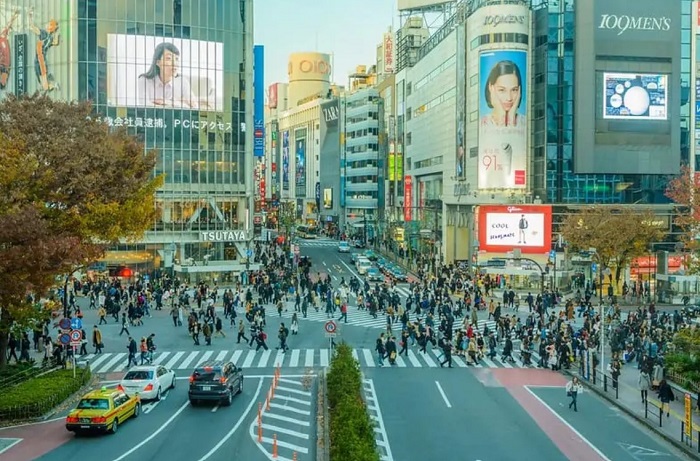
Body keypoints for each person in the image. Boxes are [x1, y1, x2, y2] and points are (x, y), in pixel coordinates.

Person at [136, 42, 197, 108]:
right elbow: (144, 106)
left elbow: (195, 106)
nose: (175, 64)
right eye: (169, 58)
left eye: (176, 59)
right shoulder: (144, 80)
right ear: (158, 62)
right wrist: (181, 104)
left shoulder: (182, 82)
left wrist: (170, 103)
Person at [481, 60, 525, 128]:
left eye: (514, 90)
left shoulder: (525, 123)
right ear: (491, 87)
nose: (509, 98)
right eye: (502, 90)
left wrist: (511, 117)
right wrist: (501, 116)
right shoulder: (482, 125)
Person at [29, 10, 61, 92]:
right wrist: (57, 36)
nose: (47, 24)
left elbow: (32, 27)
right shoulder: (50, 38)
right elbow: (55, 43)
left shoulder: (44, 34)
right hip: (39, 59)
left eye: (49, 24)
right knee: (43, 85)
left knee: (44, 85)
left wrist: (30, 16)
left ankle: (52, 83)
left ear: (51, 27)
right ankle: (51, 83)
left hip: (40, 59)